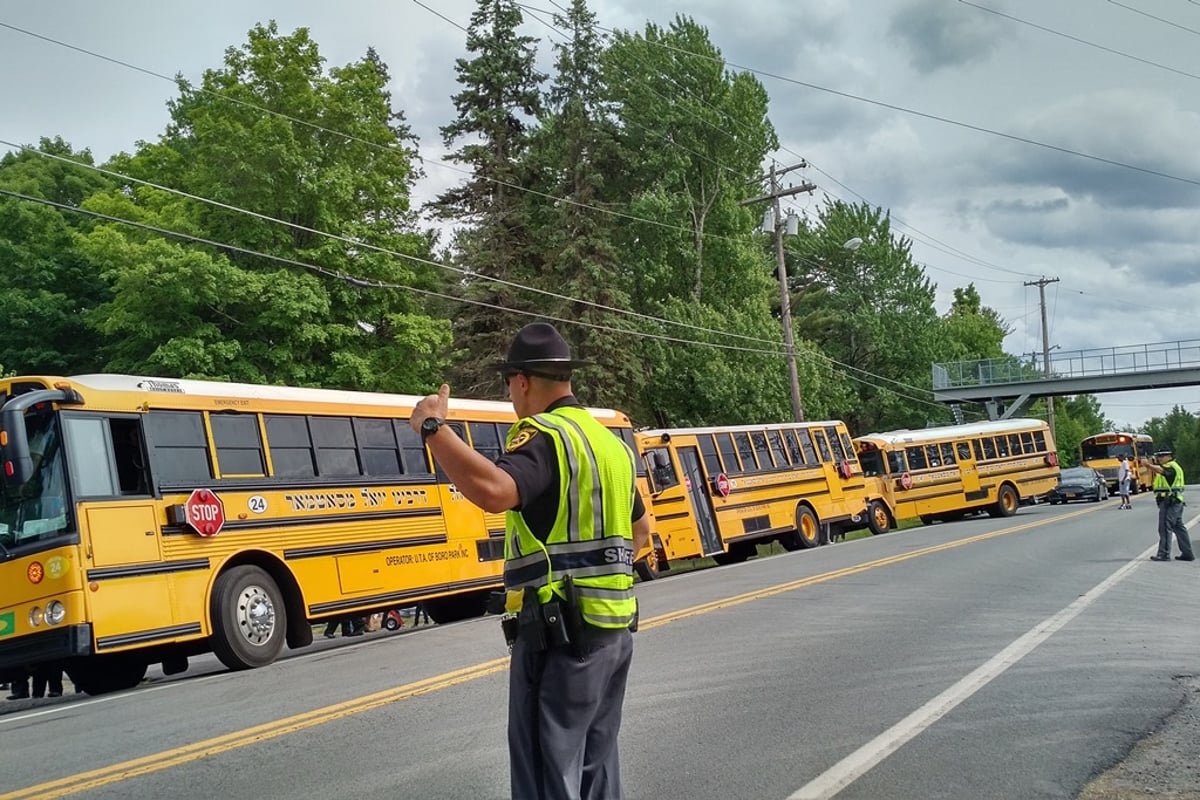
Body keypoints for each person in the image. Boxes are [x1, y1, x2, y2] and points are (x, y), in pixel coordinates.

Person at [411, 322, 651, 800]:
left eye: (509, 387)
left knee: (547, 778)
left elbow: (496, 491)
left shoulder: (543, 435)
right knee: (597, 772)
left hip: (559, 639)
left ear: (521, 382)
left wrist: (433, 430)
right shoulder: (611, 445)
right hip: (614, 636)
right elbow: (643, 531)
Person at [1143, 448, 1193, 562]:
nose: (1159, 458)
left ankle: (1164, 554)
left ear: (1169, 456)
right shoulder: (1174, 466)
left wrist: (1148, 465)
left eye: (1162, 456)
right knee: (1179, 528)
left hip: (1170, 502)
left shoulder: (1171, 467)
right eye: (1158, 456)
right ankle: (1187, 553)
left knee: (1165, 527)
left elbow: (1161, 471)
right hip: (1175, 502)